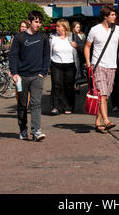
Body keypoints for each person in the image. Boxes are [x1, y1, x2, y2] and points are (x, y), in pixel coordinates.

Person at [84, 6, 119, 134]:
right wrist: (88, 62)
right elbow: (87, 47)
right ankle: (106, 121)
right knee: (102, 93)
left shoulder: (118, 29)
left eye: (115, 15)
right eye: (112, 15)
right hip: (98, 65)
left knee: (106, 96)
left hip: (112, 66)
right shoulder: (95, 30)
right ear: (105, 16)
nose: (115, 17)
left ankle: (97, 121)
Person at [9, 10, 50, 142]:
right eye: (36, 22)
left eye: (40, 22)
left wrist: (43, 72)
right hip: (21, 77)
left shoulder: (43, 38)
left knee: (36, 104)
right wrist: (14, 73)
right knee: (22, 105)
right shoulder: (19, 37)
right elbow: (13, 56)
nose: (38, 24)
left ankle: (36, 131)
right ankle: (22, 129)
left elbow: (46, 56)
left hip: (37, 76)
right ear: (30, 21)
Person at [50, 19, 79, 115]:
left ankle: (68, 106)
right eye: (56, 26)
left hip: (70, 64)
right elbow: (47, 52)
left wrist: (77, 46)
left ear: (64, 27)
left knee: (69, 86)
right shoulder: (52, 38)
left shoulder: (72, 37)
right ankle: (55, 107)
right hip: (56, 64)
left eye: (58, 26)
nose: (56, 28)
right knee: (56, 85)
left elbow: (83, 47)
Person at [71, 21, 87, 93]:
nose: (78, 28)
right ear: (73, 28)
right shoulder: (72, 35)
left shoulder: (83, 34)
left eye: (79, 27)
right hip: (77, 54)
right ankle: (76, 86)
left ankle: (78, 85)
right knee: (77, 70)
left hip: (83, 54)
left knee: (82, 70)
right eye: (77, 27)